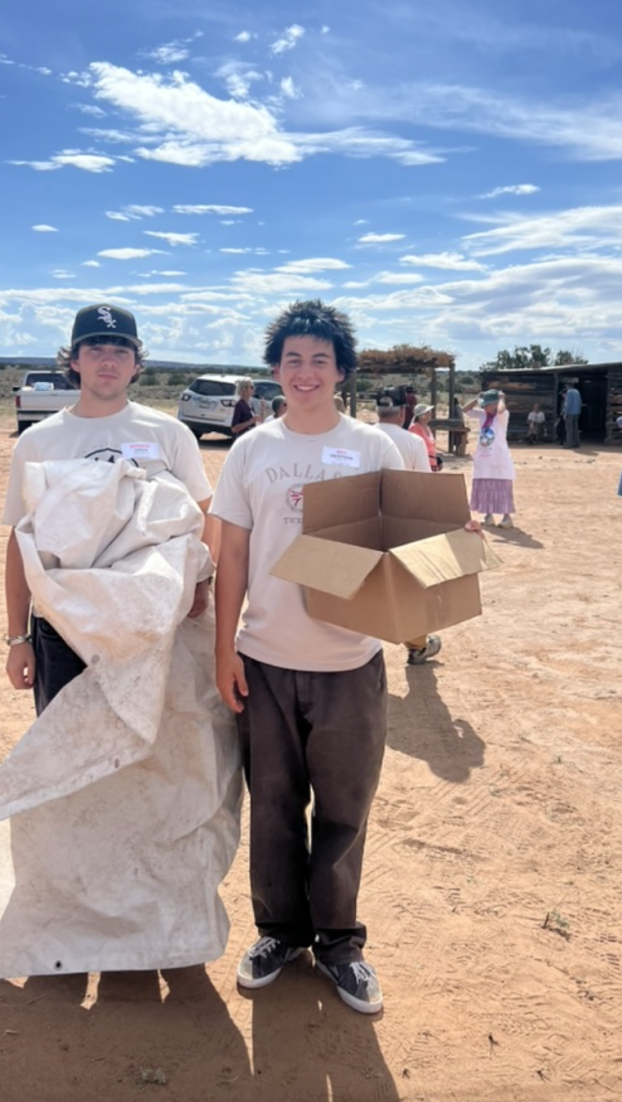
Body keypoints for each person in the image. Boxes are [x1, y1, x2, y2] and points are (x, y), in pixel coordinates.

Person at [212, 299, 405, 1015]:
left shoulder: (375, 448)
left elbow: (406, 547)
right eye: (292, 359)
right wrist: (224, 648)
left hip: (350, 662)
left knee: (345, 812)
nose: (305, 372)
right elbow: (232, 555)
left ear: (341, 371)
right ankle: (280, 933)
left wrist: (450, 545)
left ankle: (340, 944)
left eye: (320, 359)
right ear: (274, 370)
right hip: (264, 659)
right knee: (273, 807)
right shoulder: (251, 450)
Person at [3, 303, 215, 713]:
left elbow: (205, 516)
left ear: (136, 364)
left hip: (149, 623)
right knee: (67, 743)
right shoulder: (38, 442)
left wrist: (201, 583)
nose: (108, 361)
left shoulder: (169, 434)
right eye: (95, 349)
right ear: (74, 360)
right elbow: (21, 542)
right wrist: (18, 639)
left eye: (120, 350)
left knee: (154, 743)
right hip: (63, 627)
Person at [375, 401, 442, 667]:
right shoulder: (413, 441)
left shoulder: (361, 437)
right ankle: (417, 645)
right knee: (408, 587)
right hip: (402, 522)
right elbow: (423, 483)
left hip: (366, 520)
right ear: (403, 413)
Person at [464, 390, 516, 527]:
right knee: (486, 486)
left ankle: (506, 517)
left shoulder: (502, 416)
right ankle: (488, 515)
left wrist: (502, 399)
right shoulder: (483, 415)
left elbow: (501, 410)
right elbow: (465, 409)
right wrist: (477, 398)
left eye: (488, 405)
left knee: (502, 487)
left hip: (499, 458)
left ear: (495, 404)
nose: (485, 407)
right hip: (484, 458)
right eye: (484, 405)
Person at [409, 403, 442, 471]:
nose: (431, 414)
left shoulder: (427, 428)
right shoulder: (414, 428)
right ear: (422, 416)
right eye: (428, 412)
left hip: (432, 463)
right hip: (422, 464)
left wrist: (437, 459)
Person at [562, 380, 582, 448]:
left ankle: (569, 444)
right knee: (575, 428)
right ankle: (576, 443)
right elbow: (580, 402)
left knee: (569, 429)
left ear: (568, 386)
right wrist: (579, 411)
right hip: (576, 412)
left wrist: (565, 413)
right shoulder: (577, 391)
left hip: (570, 412)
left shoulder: (569, 392)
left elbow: (568, 404)